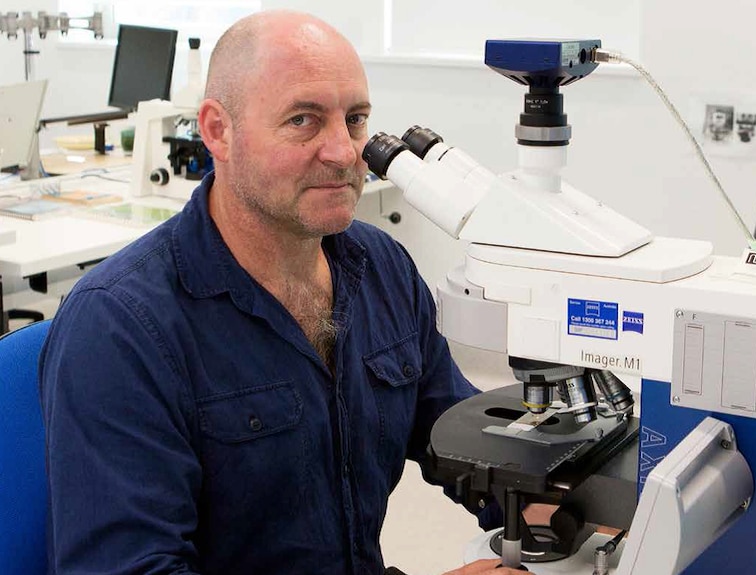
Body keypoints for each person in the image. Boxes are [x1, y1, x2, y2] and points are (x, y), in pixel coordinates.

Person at [39, 9, 532, 575]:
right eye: (303, 120)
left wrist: (560, 498)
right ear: (218, 131)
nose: (345, 153)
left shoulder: (381, 269)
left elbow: (464, 439)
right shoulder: (120, 326)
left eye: (355, 120)